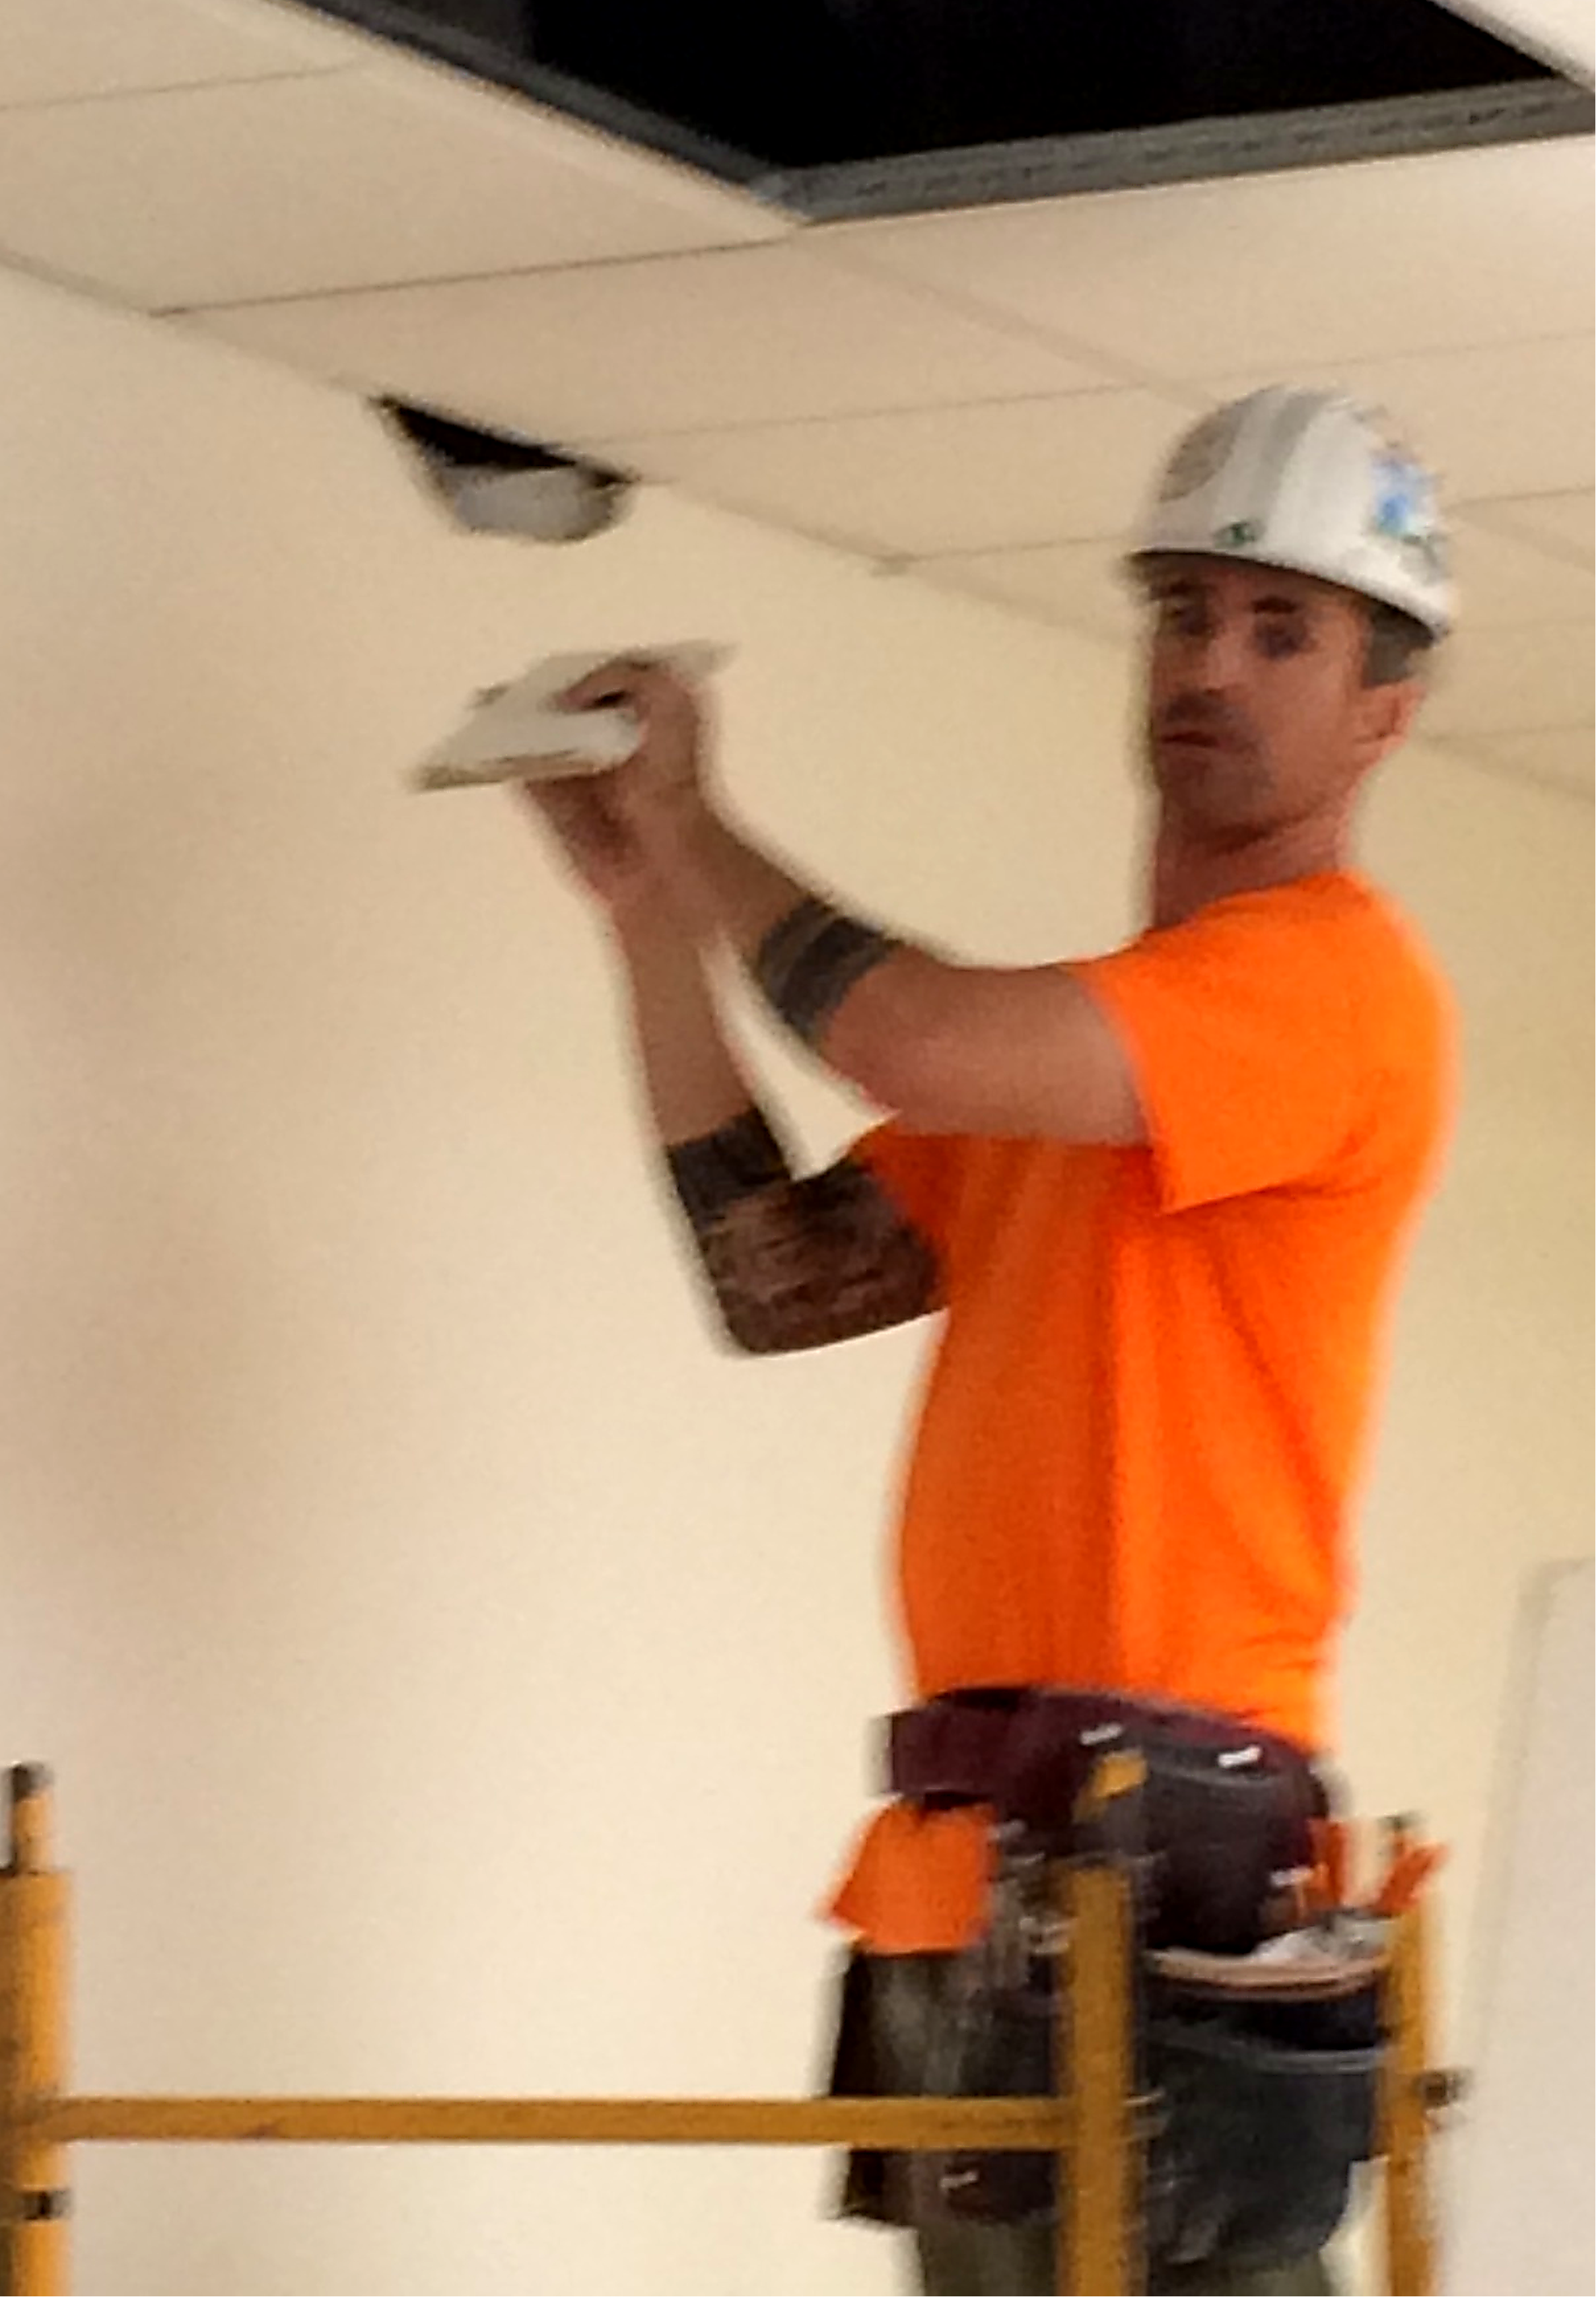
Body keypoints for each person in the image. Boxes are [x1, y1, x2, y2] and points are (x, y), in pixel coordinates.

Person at [520, 386, 1456, 2296]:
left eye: (1282, 629)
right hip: (979, 1864)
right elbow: (781, 1277)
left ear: (1384, 711)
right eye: (1184, 611)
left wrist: (703, 826)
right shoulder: (1082, 1064)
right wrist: (648, 916)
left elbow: (907, 1033)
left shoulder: (1331, 988)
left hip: (1170, 1877)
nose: (1212, 659)